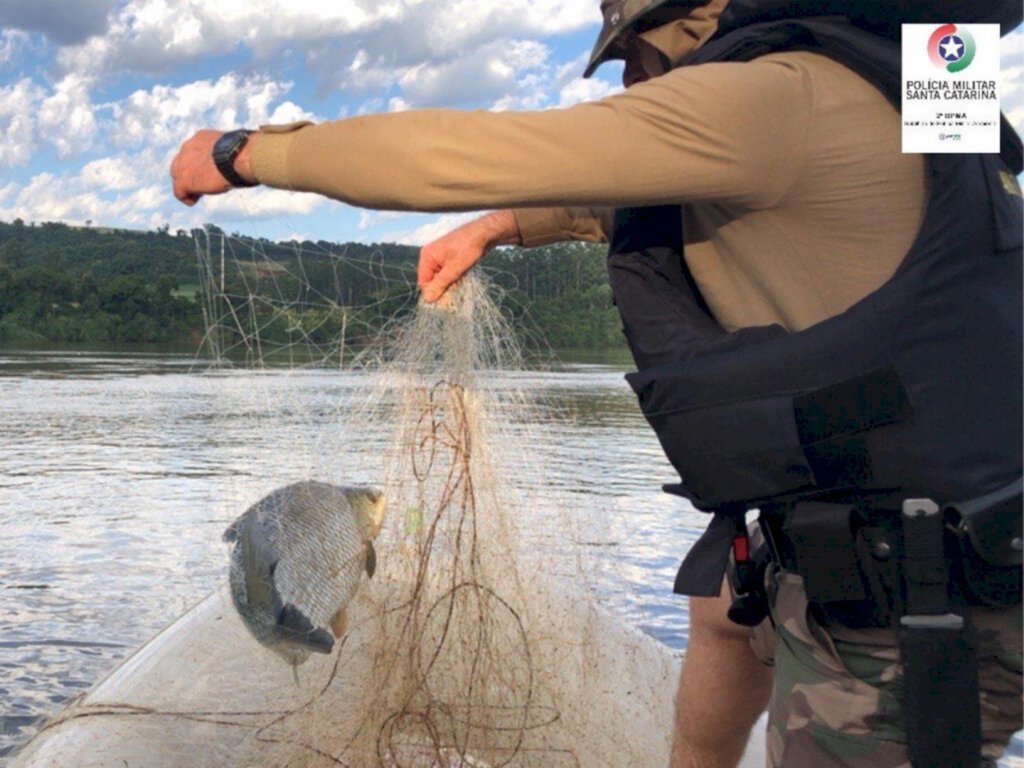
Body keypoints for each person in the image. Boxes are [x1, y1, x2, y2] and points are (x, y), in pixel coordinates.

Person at [171, 1, 1024, 765]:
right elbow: (652, 194)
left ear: (688, 24)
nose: (628, 78)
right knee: (726, 606)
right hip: (965, 523)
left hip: (923, 600)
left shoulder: (772, 95)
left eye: (630, 53)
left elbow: (473, 154)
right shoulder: (911, 83)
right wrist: (500, 227)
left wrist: (243, 154)